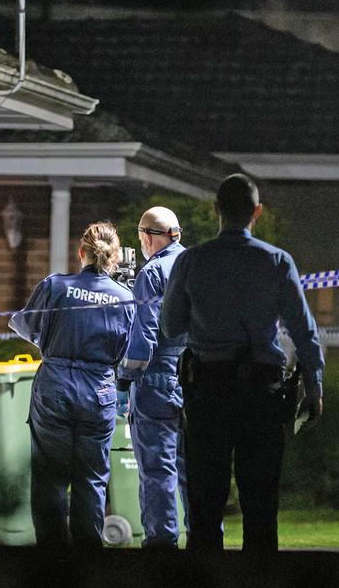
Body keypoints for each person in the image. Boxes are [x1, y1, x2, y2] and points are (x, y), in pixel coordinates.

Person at [160, 173, 322, 553]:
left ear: (216, 210)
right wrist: (314, 386)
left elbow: (169, 327)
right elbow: (304, 330)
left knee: (204, 503)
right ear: (257, 213)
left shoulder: (192, 262)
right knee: (261, 504)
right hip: (262, 393)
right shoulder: (277, 262)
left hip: (208, 390)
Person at [10, 220, 136, 547]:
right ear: (115, 257)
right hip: (99, 391)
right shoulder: (125, 298)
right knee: (92, 480)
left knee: (50, 479)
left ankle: (53, 562)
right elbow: (128, 349)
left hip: (55, 388)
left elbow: (25, 326)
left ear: (81, 252)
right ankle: (88, 560)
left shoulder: (56, 286)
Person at [116, 206, 189, 548]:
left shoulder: (153, 272)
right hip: (197, 379)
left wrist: (124, 379)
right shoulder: (195, 266)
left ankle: (162, 548)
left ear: (147, 236)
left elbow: (143, 334)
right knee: (195, 471)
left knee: (159, 471)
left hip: (158, 381)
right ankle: (207, 543)